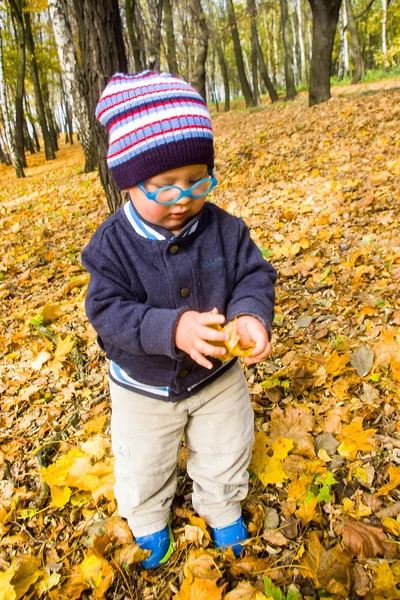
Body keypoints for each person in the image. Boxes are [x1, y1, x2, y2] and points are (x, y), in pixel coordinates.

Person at [81, 71, 277, 569]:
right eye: (164, 187)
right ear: (128, 180)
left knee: (228, 442)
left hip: (217, 374)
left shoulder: (224, 229)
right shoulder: (110, 247)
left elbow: (253, 275)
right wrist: (171, 330)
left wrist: (250, 316)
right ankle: (148, 519)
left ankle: (221, 503)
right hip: (143, 386)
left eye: (197, 181)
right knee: (144, 461)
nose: (184, 198)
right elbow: (107, 312)